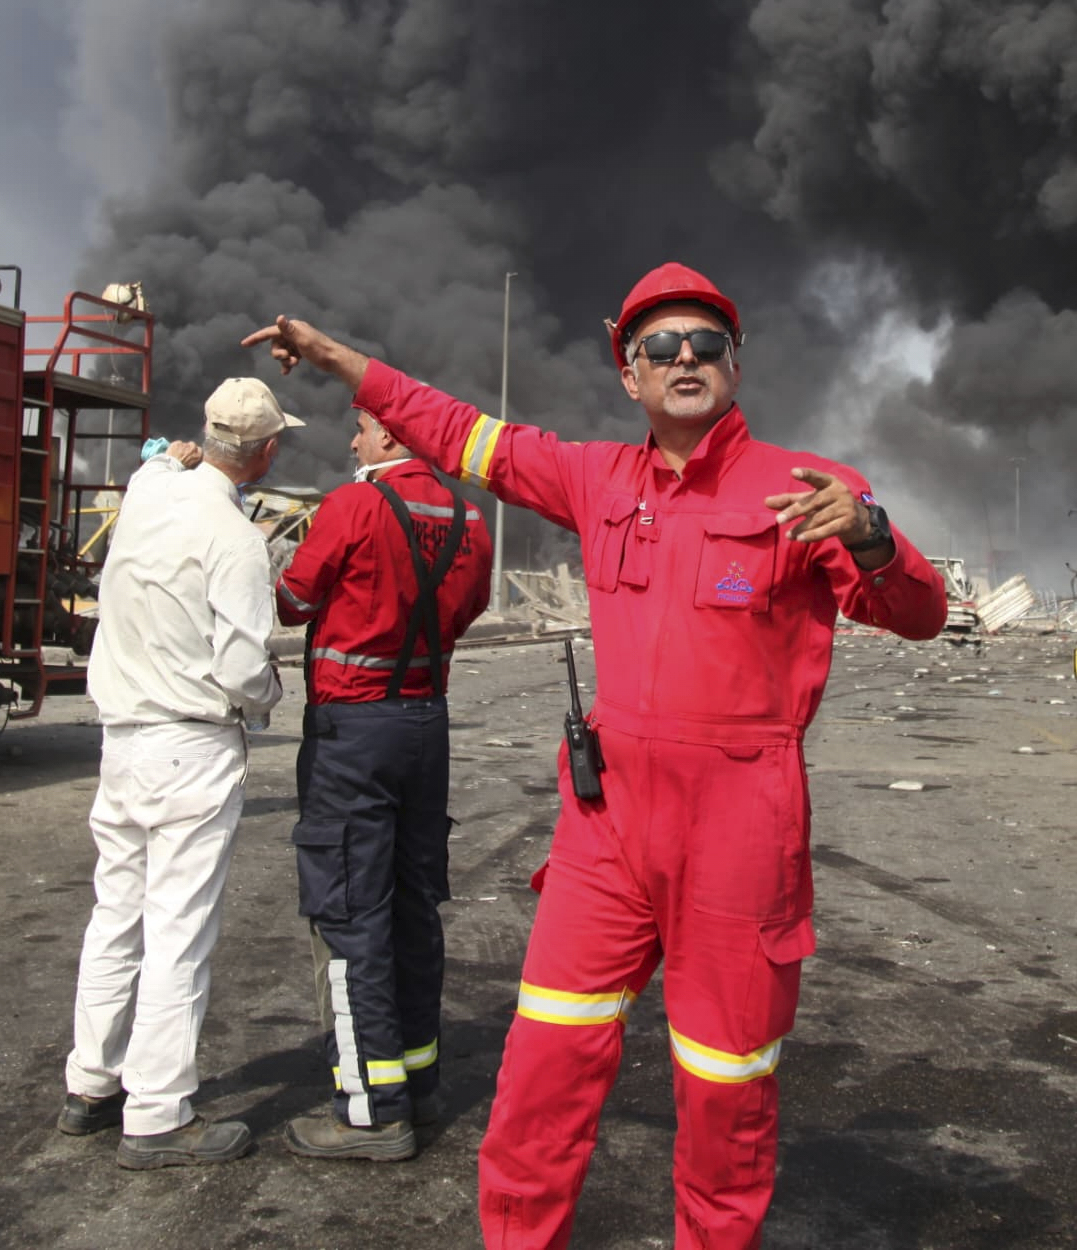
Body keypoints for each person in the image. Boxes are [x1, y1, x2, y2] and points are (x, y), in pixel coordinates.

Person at [245, 262, 948, 1247]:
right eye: (660, 345)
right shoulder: (594, 478)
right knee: (542, 1070)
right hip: (606, 831)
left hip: (739, 834)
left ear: (734, 363)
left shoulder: (808, 490)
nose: (685, 357)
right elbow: (455, 429)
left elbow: (918, 614)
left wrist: (873, 538)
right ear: (630, 374)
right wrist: (333, 358)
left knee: (724, 1090)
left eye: (705, 342)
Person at [58, 376, 300, 1169]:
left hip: (121, 741)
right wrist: (270, 694)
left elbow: (160, 461)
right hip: (191, 746)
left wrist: (170, 458)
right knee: (179, 932)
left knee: (115, 915)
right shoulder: (235, 539)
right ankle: (159, 1115)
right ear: (266, 453)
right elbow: (242, 668)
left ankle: (91, 1084)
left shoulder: (147, 490)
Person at [272, 406, 495, 1160]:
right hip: (426, 725)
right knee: (412, 907)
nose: (353, 439)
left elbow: (292, 601)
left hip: (353, 733)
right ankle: (417, 1086)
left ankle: (370, 1111)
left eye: (362, 428)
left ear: (392, 436)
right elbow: (468, 608)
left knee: (348, 915)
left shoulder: (355, 505)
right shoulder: (470, 518)